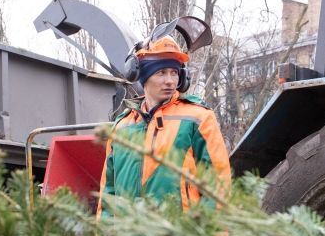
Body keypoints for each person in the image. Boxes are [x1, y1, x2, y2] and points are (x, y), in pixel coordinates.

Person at [96, 34, 231, 217]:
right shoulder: (121, 126)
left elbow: (217, 190)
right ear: (142, 75)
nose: (170, 81)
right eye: (161, 73)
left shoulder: (198, 118)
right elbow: (108, 194)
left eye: (174, 72)